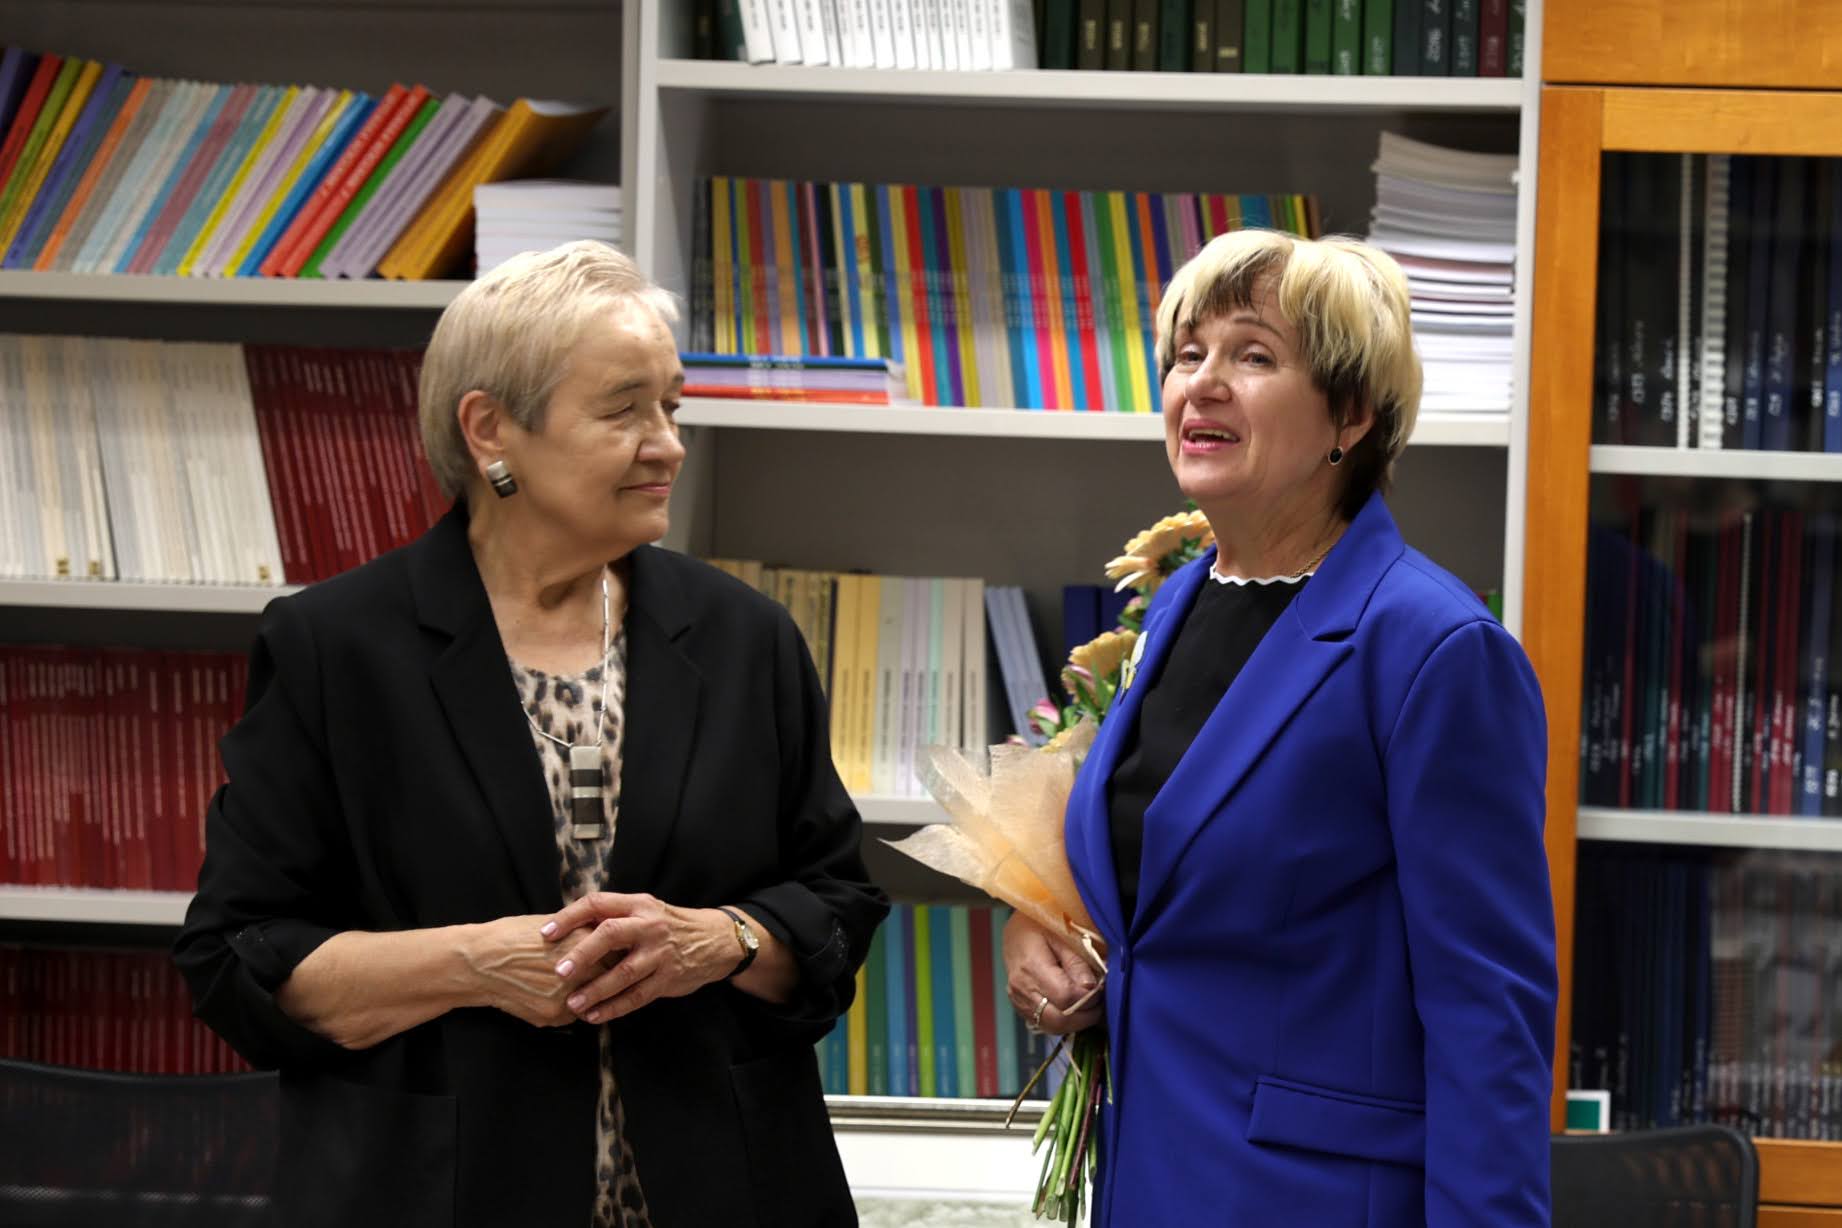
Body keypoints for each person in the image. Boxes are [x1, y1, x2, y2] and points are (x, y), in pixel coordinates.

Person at [174, 240, 887, 1228]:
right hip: (435, 1195)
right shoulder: (335, 648)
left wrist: (717, 940)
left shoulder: (745, 638)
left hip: (729, 1187)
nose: (668, 445)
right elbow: (238, 959)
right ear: (489, 431)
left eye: (671, 407)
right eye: (624, 409)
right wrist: (471, 963)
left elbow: (839, 904)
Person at [1002, 229, 1556, 1226]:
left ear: (1351, 414)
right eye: (1188, 354)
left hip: (1315, 1198)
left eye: (1254, 356)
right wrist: (1047, 929)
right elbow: (1167, 881)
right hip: (1148, 1182)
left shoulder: (1433, 647)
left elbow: (1490, 1014)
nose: (1203, 384)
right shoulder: (1179, 603)